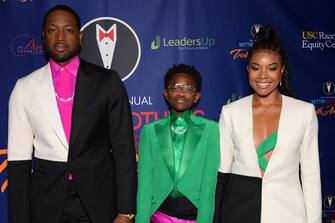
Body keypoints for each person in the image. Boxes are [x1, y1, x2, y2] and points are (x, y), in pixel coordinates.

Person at [7, 5, 137, 223]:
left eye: (68, 30)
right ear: (43, 37)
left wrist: (125, 211)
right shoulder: (24, 87)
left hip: (99, 201)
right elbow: (19, 162)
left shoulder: (107, 81)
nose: (60, 37)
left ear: (80, 36)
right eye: (52, 30)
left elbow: (124, 150)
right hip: (45, 202)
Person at [214, 25, 321, 223]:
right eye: (256, 68)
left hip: (289, 214)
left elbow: (311, 176)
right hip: (239, 212)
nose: (263, 75)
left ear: (282, 70)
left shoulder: (304, 112)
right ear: (248, 70)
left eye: (271, 68)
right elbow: (224, 174)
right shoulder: (230, 112)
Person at [136, 64, 220, 223]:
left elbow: (209, 187)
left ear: (196, 96)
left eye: (188, 88)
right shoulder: (150, 131)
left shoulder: (211, 130)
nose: (181, 93)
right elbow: (144, 186)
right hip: (159, 216)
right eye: (175, 88)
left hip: (194, 216)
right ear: (166, 94)